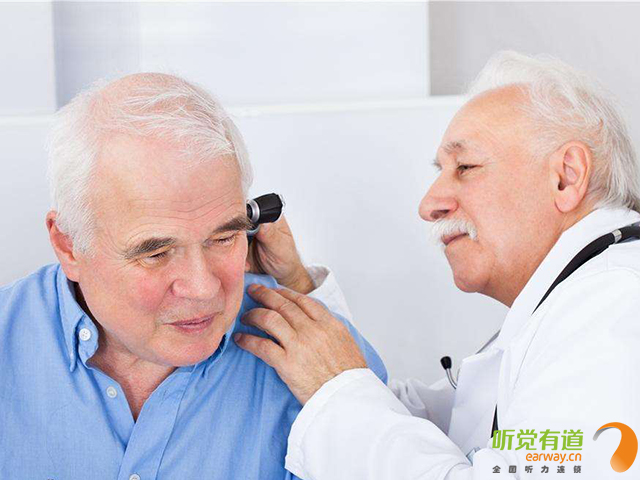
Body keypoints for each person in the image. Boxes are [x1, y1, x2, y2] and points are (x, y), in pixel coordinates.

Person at [235, 51, 640, 478]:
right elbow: (434, 433)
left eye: (466, 167)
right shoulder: (581, 305)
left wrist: (337, 391)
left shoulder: (615, 310)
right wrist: (296, 284)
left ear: (566, 176)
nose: (429, 205)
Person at [0, 73, 386, 479]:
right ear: (68, 245)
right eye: (156, 253)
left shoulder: (325, 368)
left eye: (223, 237)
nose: (203, 289)